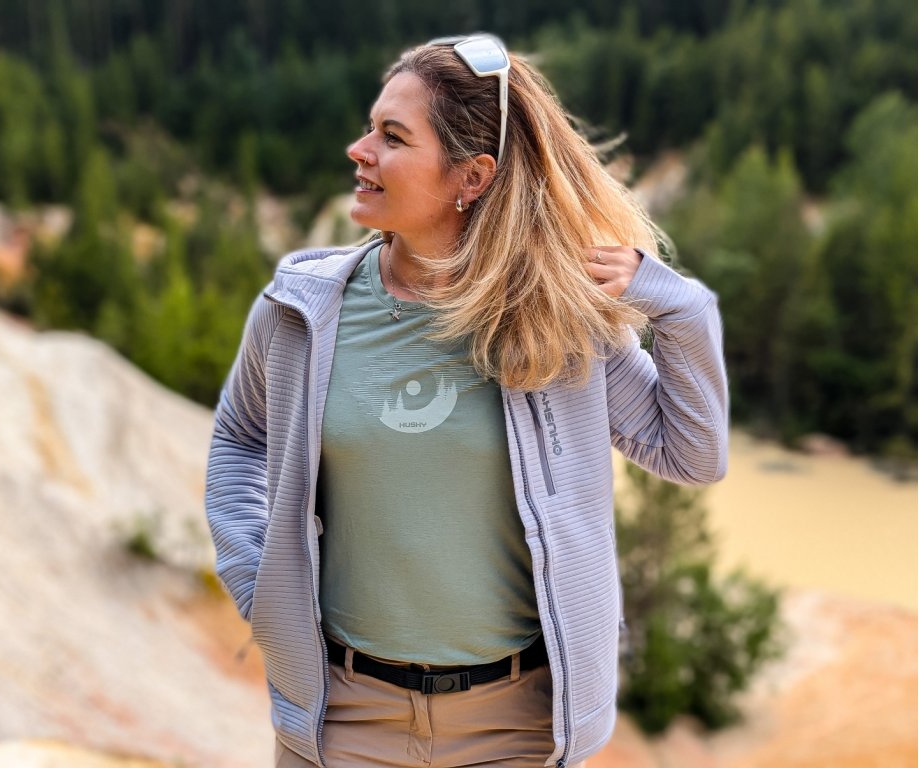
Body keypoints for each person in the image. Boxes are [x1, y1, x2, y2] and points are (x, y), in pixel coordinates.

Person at [206, 34, 728, 768]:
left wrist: (679, 305)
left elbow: (693, 455)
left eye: (392, 137)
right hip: (342, 721)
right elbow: (240, 437)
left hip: (515, 731)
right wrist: (258, 581)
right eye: (370, 128)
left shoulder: (558, 320)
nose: (360, 150)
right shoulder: (303, 308)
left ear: (472, 175)